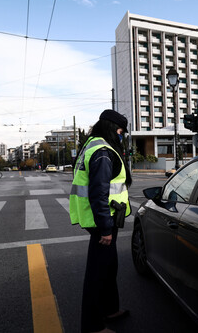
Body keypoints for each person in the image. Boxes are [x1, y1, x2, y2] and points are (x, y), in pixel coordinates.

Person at [69, 109, 132, 333]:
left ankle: (109, 309)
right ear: (112, 128)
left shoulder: (92, 144)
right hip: (101, 222)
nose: (121, 135)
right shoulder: (103, 152)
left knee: (108, 266)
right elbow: (98, 194)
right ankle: (93, 326)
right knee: (96, 274)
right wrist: (105, 228)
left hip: (104, 220)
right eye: (120, 131)